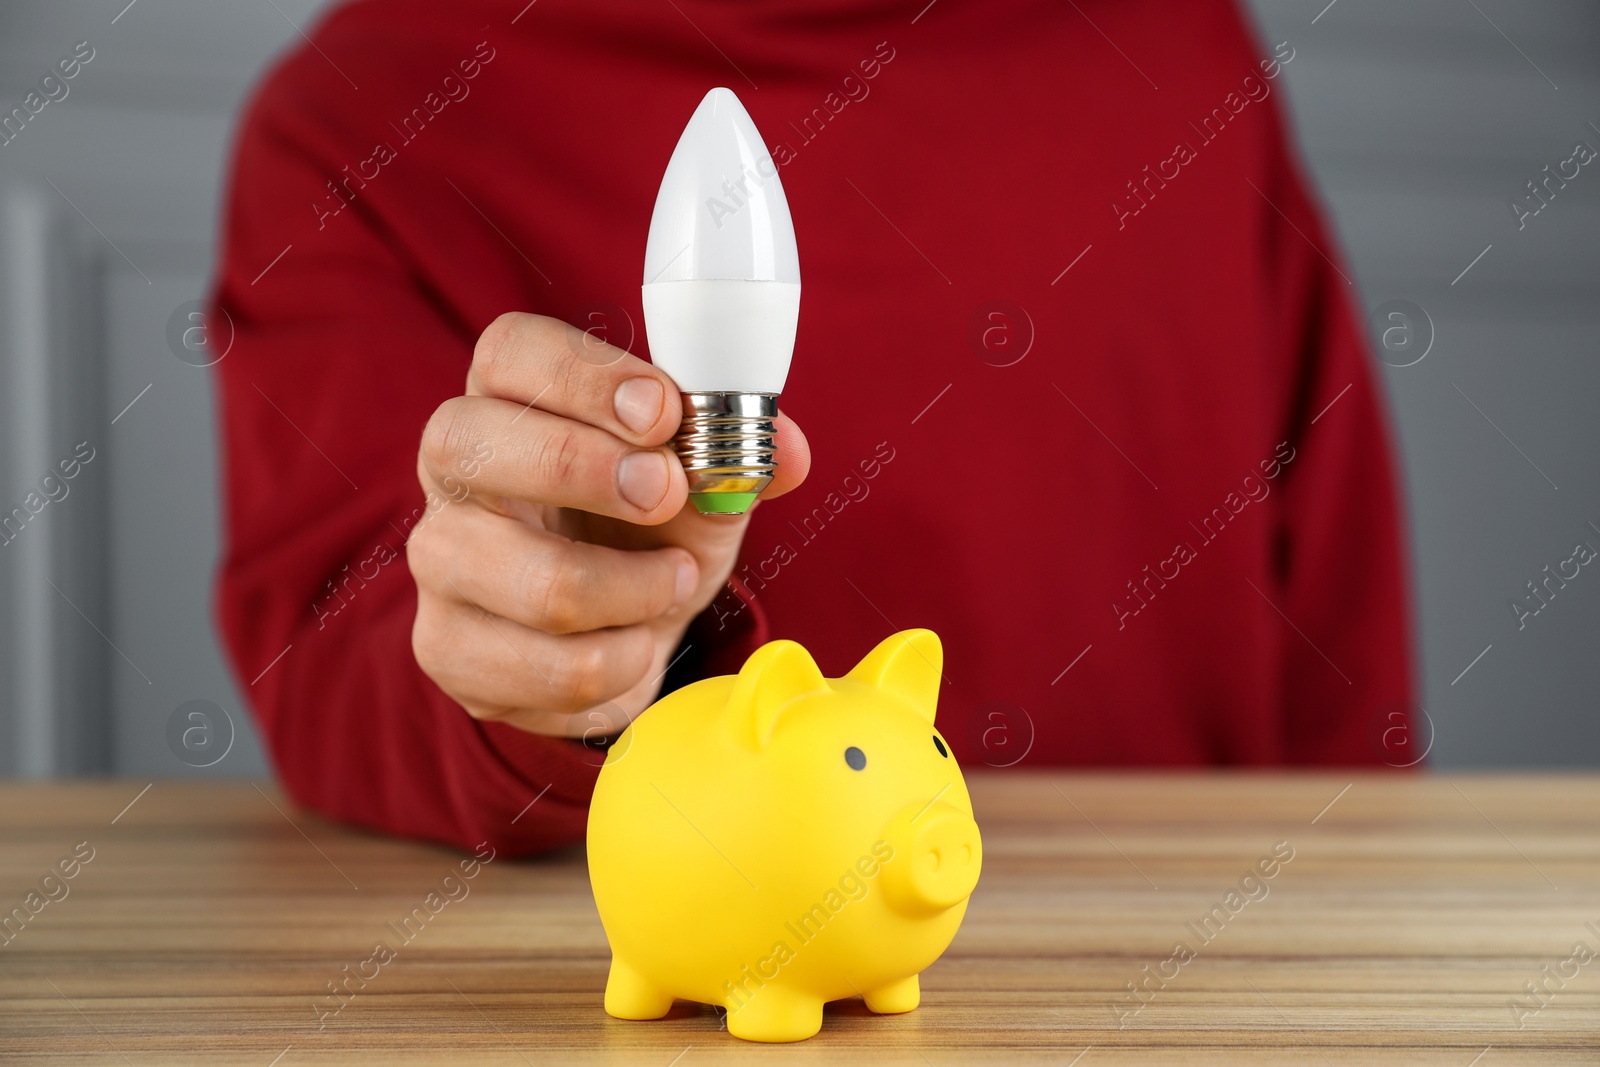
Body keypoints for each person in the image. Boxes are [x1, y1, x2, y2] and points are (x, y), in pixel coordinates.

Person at [212, 0, 1416, 857]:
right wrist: (551, 662)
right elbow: (334, 654)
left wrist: (1346, 905)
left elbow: (1337, 619)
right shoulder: (362, 111)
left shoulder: (1173, 51)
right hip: (674, 969)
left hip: (1182, 970)